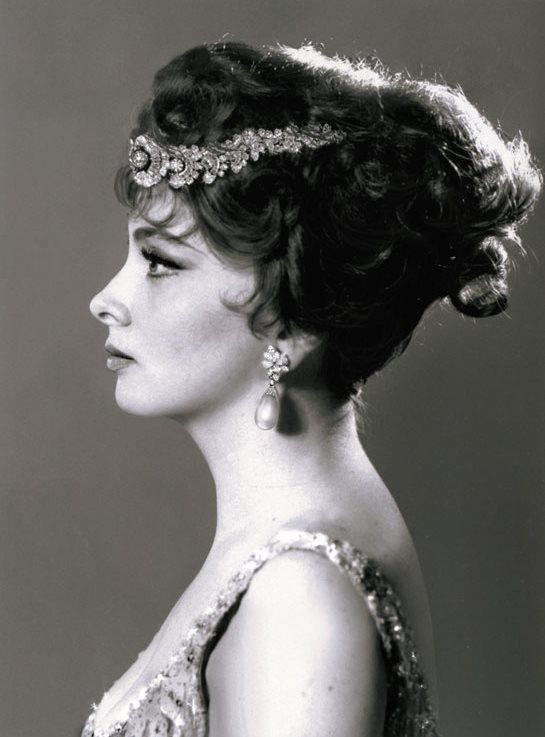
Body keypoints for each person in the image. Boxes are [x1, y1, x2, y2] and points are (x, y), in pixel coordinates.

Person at [83, 40, 541, 737]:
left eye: (159, 261)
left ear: (293, 322)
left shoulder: (300, 595)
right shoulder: (283, 551)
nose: (105, 300)